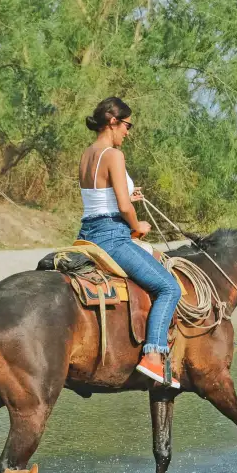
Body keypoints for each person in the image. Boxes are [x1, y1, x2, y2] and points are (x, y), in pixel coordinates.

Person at [77, 96, 181, 388]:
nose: (128, 132)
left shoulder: (88, 154)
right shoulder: (113, 154)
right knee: (168, 287)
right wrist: (138, 224)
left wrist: (128, 199)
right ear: (113, 121)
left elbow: (101, 199)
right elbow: (123, 208)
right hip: (112, 235)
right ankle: (153, 356)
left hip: (88, 233)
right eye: (127, 125)